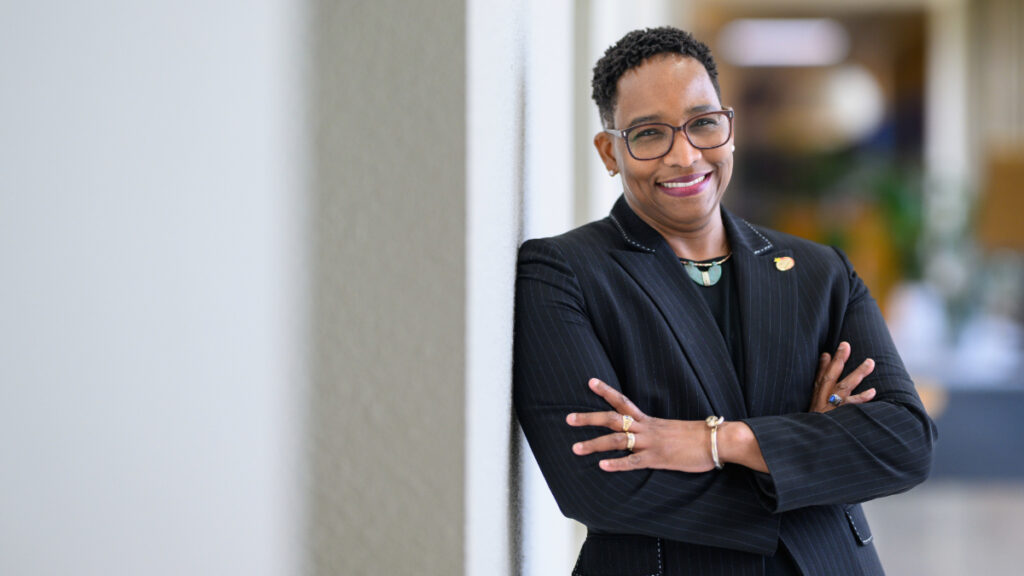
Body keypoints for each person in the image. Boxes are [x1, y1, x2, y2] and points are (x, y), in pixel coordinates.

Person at [513, 26, 936, 576]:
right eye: (648, 134)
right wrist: (809, 460)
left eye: (703, 124)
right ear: (609, 152)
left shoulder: (820, 271)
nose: (685, 156)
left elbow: (904, 442)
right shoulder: (564, 274)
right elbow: (598, 485)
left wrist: (720, 441)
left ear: (728, 129)